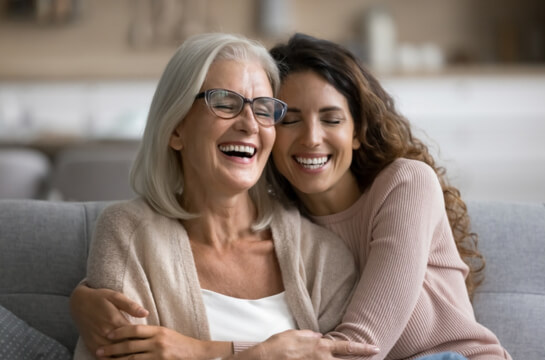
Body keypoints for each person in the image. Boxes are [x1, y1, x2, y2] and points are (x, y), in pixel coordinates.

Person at [71, 33, 512, 359]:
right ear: (175, 128)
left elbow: (360, 350)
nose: (311, 139)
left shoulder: (399, 188)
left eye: (262, 108)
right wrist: (80, 297)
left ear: (358, 131)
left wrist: (215, 352)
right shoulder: (300, 219)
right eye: (289, 118)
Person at [72, 32, 380, 360]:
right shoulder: (128, 234)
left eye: (264, 109)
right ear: (176, 128)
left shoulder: (321, 255)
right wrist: (263, 355)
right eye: (223, 103)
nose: (249, 124)